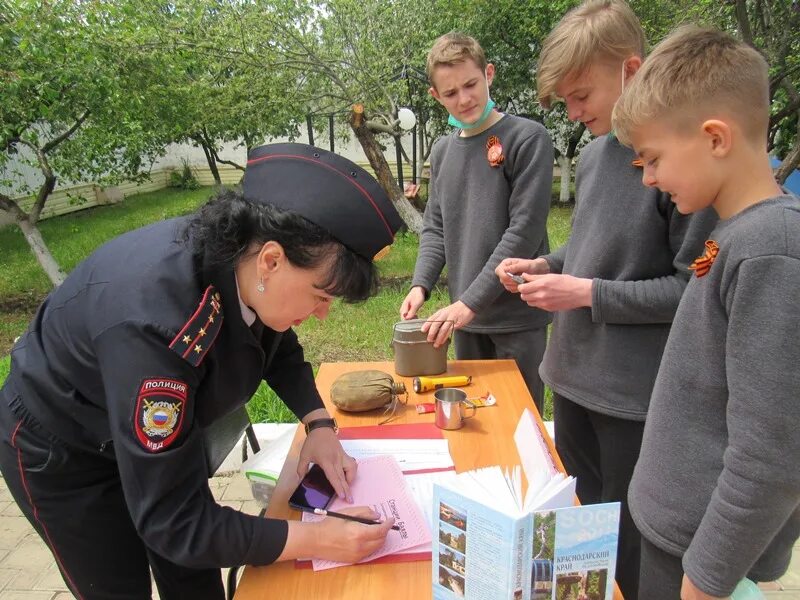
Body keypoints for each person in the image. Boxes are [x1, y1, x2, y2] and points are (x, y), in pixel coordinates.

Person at [0, 143, 404, 599]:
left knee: (195, 581)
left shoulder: (241, 261)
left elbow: (277, 345)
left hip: (152, 431)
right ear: (271, 259)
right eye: (320, 296)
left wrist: (319, 424)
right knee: (117, 585)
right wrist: (317, 538)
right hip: (64, 446)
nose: (323, 314)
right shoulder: (157, 328)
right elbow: (175, 523)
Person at [495, 2, 717, 598]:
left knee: (627, 547)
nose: (573, 112)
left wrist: (586, 293)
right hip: (569, 377)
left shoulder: (677, 166)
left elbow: (690, 289)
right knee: (574, 531)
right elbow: (594, 248)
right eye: (564, 102)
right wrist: (548, 264)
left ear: (633, 70)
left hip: (632, 400)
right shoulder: (594, 156)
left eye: (581, 95)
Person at [612, 26, 800, 599]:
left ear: (715, 137)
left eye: (654, 159)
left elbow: (772, 452)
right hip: (676, 533)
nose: (648, 178)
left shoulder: (773, 251)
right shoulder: (736, 234)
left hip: (700, 560)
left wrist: (708, 577)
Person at [400, 32, 554, 412]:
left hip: (517, 316)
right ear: (436, 97)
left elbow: (524, 230)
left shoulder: (528, 138)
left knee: (520, 421)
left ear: (489, 74)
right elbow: (435, 226)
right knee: (474, 415)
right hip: (466, 320)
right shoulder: (442, 151)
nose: (464, 99)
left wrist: (470, 301)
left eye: (470, 84)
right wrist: (421, 284)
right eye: (450, 93)